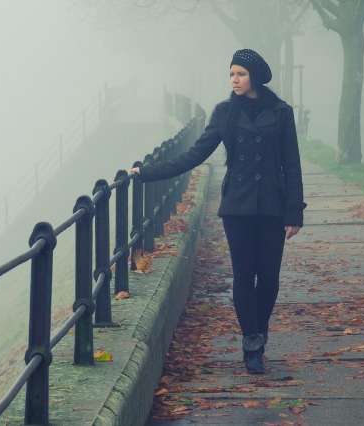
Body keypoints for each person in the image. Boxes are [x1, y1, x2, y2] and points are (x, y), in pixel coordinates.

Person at [129, 49, 305, 374]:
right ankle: (252, 342)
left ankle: (259, 330)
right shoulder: (225, 113)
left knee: (268, 278)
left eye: (240, 74)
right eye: (231, 74)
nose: (234, 80)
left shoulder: (281, 112)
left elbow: (291, 165)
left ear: (254, 77)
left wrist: (294, 212)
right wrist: (148, 171)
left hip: (271, 207)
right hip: (237, 206)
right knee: (243, 275)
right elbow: (195, 154)